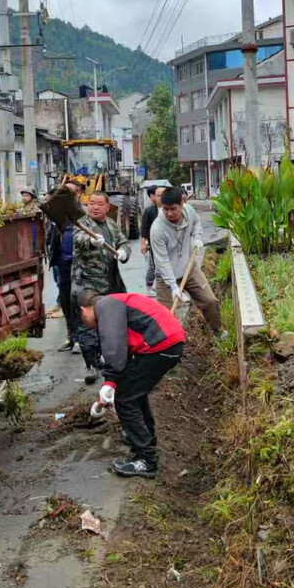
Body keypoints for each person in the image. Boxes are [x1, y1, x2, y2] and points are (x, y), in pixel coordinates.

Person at [79, 289, 185, 478]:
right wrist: (112, 382)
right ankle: (146, 440)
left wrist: (110, 382)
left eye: (82, 319)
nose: (86, 325)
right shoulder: (114, 303)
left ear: (83, 310)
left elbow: (113, 346)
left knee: (125, 399)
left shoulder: (105, 306)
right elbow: (123, 350)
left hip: (161, 344)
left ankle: (147, 460)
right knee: (134, 393)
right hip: (168, 342)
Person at [72, 191, 130, 384]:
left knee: (114, 322)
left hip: (112, 282)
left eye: (99, 204)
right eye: (91, 204)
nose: (94, 207)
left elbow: (123, 241)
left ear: (107, 207)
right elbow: (78, 240)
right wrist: (91, 241)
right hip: (88, 285)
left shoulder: (111, 225)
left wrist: (123, 252)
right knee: (88, 324)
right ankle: (91, 364)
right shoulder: (82, 223)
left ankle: (114, 359)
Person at [150, 187, 222, 335]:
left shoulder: (189, 211)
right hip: (166, 277)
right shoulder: (157, 229)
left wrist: (197, 237)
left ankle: (218, 332)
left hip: (189, 269)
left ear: (182, 204)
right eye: (165, 209)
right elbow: (162, 261)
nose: (169, 213)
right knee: (166, 315)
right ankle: (171, 348)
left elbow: (196, 223)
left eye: (173, 209)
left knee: (210, 301)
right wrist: (173, 286)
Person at [49, 181, 84, 353]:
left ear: (78, 194)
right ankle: (71, 337)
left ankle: (80, 339)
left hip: (78, 265)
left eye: (70, 193)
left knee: (77, 302)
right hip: (62, 263)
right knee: (65, 302)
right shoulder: (57, 215)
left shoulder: (82, 214)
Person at [140, 185, 166, 296]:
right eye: (159, 195)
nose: (161, 197)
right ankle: (149, 287)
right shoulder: (150, 211)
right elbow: (144, 229)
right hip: (154, 244)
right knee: (153, 266)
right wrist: (143, 244)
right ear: (153, 197)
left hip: (169, 244)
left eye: (163, 195)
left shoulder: (169, 209)